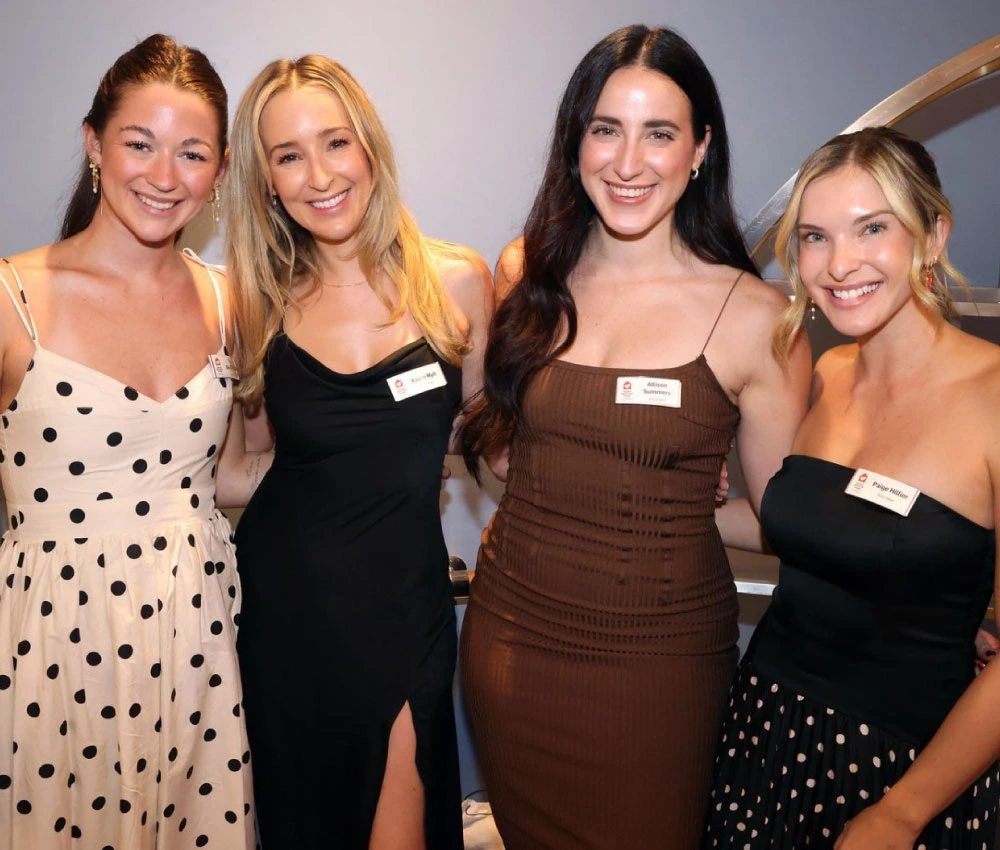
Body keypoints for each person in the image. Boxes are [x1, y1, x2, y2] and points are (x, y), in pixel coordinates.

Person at [458, 24, 810, 849]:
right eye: (605, 129)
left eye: (659, 133)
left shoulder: (756, 319)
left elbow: (784, 520)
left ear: (700, 150)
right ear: (575, 140)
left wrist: (671, 506)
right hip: (509, 645)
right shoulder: (529, 271)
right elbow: (517, 458)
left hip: (657, 672)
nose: (627, 161)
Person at [221, 55, 493, 850]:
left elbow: (484, 442)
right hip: (287, 615)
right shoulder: (253, 301)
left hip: (405, 613)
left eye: (335, 142)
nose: (319, 175)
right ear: (267, 180)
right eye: (288, 155)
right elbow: (239, 470)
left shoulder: (458, 283)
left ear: (369, 146)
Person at [703, 126, 1000, 850]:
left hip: (907, 773)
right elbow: (803, 531)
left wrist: (900, 814)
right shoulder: (830, 375)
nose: (839, 264)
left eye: (873, 229)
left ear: (933, 236)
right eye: (814, 237)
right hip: (766, 734)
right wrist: (654, 503)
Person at [0, 34, 255, 850]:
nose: (162, 175)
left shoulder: (230, 302)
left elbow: (235, 474)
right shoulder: (13, 298)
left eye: (192, 154)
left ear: (218, 173)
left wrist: (379, 457)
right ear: (93, 146)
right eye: (138, 144)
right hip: (49, 650)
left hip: (196, 643)